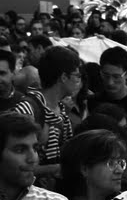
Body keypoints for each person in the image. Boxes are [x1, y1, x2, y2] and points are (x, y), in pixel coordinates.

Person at [13, 45, 82, 181]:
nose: (78, 81)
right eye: (77, 75)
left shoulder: (62, 113)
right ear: (64, 77)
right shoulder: (27, 111)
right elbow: (17, 165)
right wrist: (55, 169)